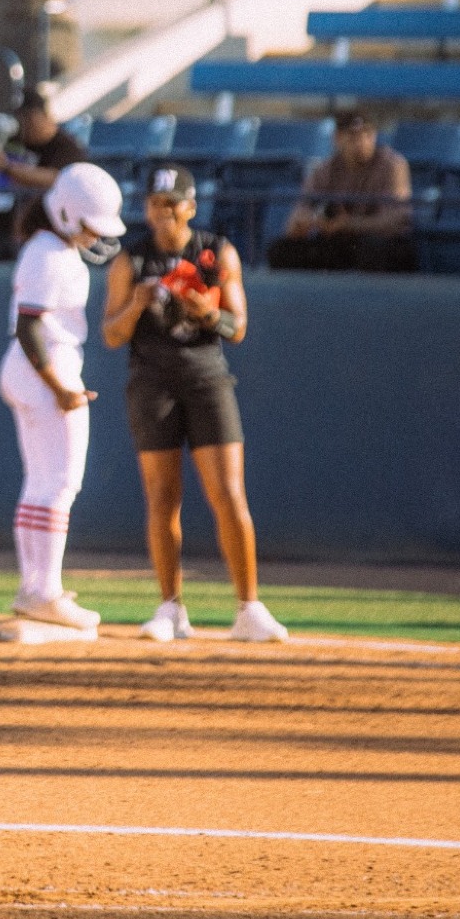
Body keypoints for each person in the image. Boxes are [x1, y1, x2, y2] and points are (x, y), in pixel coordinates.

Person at [103, 165, 288, 644]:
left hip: (206, 378)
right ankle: (170, 607)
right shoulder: (132, 261)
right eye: (155, 204)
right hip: (152, 382)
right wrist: (139, 304)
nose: (163, 213)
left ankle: (249, 606)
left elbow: (237, 327)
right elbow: (111, 334)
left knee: (228, 493)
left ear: (190, 206)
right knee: (162, 497)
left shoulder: (213, 252)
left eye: (172, 203)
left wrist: (209, 313)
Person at [0, 163, 128, 633]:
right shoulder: (51, 254)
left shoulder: (47, 247)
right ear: (70, 214)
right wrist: (61, 388)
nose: (97, 234)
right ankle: (44, 590)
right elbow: (31, 325)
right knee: (59, 484)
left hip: (34, 367)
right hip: (45, 366)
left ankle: (35, 587)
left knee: (40, 482)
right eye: (91, 223)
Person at [267, 111, 413, 272]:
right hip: (340, 241)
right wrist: (318, 221)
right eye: (353, 135)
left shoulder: (391, 165)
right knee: (281, 250)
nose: (362, 142)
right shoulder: (325, 169)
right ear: (337, 138)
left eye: (368, 134)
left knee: (374, 249)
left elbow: (396, 220)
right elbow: (296, 221)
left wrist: (349, 224)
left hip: (378, 241)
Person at [0, 92, 92, 260]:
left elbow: (56, 179)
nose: (23, 122)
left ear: (45, 115)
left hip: (40, 236)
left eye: (29, 116)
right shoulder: (9, 142)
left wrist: (6, 167)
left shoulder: (65, 146)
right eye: (19, 116)